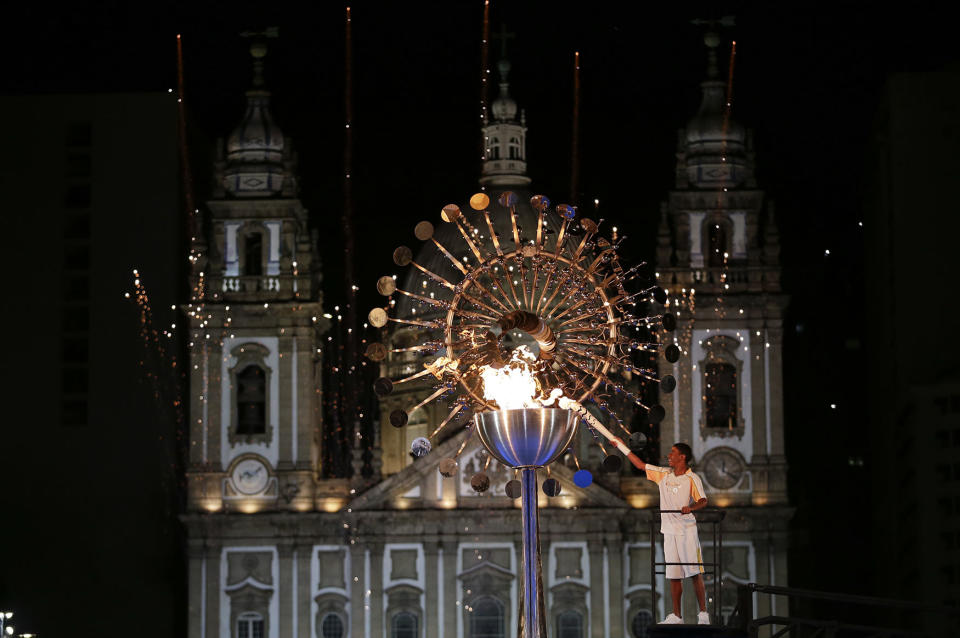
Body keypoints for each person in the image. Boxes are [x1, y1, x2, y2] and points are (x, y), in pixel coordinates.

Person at [631, 442, 710, 625]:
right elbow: (640, 465)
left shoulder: (692, 478)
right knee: (674, 574)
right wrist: (620, 446)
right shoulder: (664, 474)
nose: (669, 455)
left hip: (687, 530)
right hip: (669, 531)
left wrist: (690, 508)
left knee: (694, 572)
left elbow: (703, 500)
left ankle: (703, 613)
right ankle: (676, 615)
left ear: (682, 457)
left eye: (673, 452)